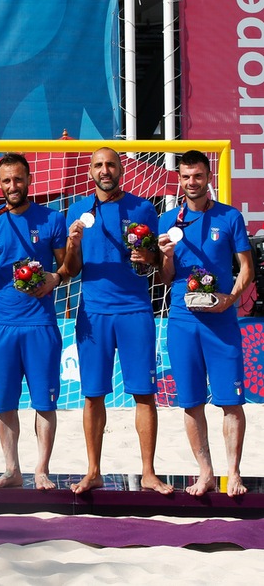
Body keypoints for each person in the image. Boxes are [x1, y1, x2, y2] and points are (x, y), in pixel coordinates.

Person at [63, 148, 173, 495]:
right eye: (98, 165)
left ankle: (148, 473)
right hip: (93, 312)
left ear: (121, 169)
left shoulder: (142, 208)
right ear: (91, 171)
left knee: (144, 393)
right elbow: (73, 268)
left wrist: (151, 254)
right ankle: (93, 470)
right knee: (93, 395)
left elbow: (154, 261)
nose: (104, 170)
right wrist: (72, 244)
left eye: (110, 164)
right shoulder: (78, 209)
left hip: (135, 310)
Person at [158, 149, 255, 497]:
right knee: (191, 400)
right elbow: (167, 276)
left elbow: (246, 267)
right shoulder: (168, 220)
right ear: (179, 179)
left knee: (231, 400)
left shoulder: (229, 217)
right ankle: (205, 473)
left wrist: (231, 299)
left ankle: (234, 473)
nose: (191, 182)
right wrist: (166, 258)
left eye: (197, 175)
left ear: (208, 176)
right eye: (185, 176)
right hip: (182, 320)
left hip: (222, 321)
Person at [0, 153, 67, 490]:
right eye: (6, 180)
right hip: (1, 325)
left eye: (18, 179)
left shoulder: (51, 219)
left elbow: (66, 267)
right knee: (4, 402)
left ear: (29, 180)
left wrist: (54, 277)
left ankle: (41, 470)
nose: (13, 186)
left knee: (44, 401)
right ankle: (12, 470)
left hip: (40, 323)